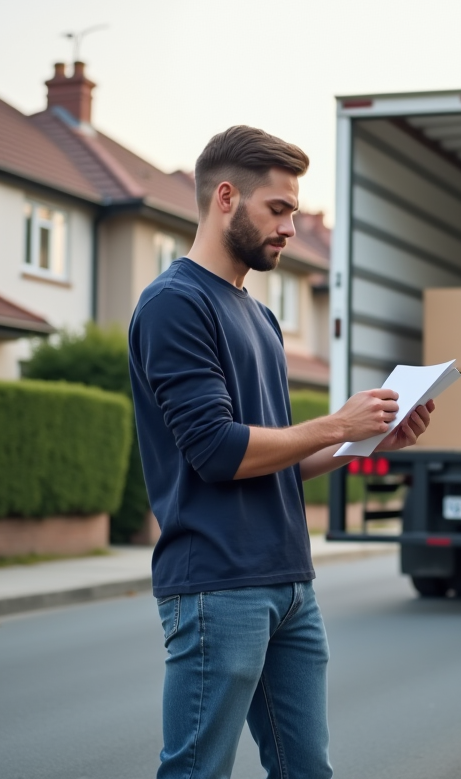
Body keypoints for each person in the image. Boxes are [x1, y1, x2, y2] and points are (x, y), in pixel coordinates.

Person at [128, 125, 434, 779]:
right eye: (279, 209)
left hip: (289, 583)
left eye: (293, 211)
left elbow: (279, 456)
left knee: (307, 772)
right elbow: (215, 450)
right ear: (227, 199)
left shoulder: (260, 317)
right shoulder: (174, 305)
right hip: (216, 584)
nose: (291, 228)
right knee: (195, 772)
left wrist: (366, 439)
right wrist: (333, 423)